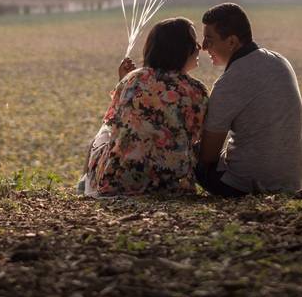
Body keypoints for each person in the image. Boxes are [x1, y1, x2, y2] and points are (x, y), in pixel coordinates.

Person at [80, 17, 209, 197]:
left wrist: (123, 81)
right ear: (181, 49)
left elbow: (117, 120)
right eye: (194, 43)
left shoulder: (132, 80)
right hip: (172, 185)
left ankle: (84, 184)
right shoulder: (197, 90)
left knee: (102, 134)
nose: (199, 48)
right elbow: (197, 135)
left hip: (119, 182)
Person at [195, 3, 302, 197]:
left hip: (245, 186)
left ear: (231, 42)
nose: (204, 47)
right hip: (293, 181)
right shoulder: (279, 60)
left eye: (209, 40)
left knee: (184, 151)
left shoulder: (228, 83)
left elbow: (207, 155)